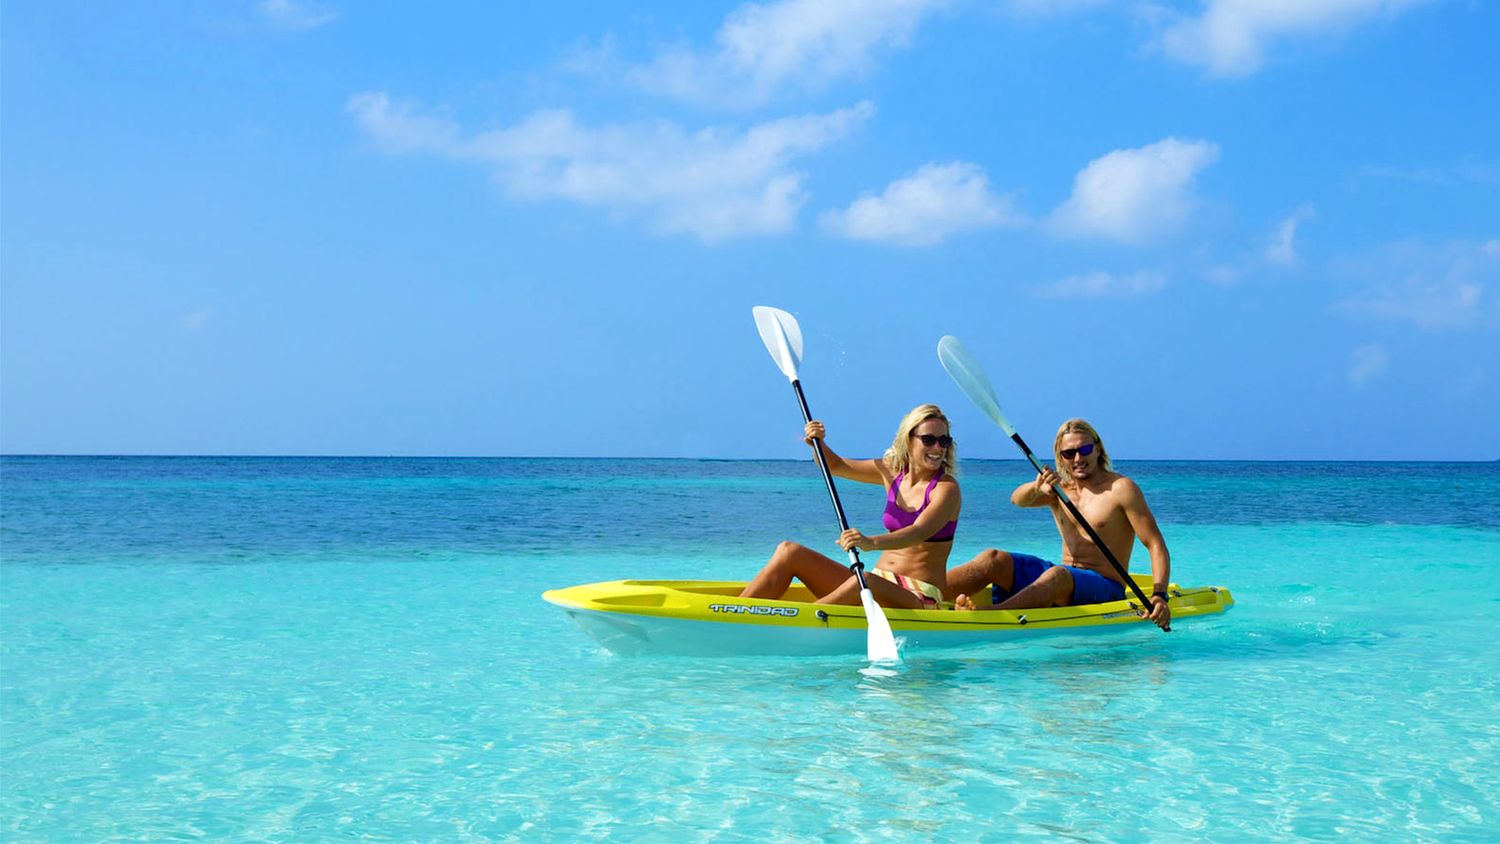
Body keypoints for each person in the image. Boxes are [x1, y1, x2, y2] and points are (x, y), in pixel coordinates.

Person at [946, 418, 1172, 630]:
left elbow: (1155, 544)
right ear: (1060, 456)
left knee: (1058, 575)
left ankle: (990, 616)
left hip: (1105, 587)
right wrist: (1037, 488)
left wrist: (1159, 595)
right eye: (1069, 453)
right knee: (992, 558)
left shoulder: (1121, 489)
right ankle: (926, 597)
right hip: (1061, 578)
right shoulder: (1059, 489)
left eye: (1084, 450)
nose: (1078, 459)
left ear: (1097, 449)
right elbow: (1016, 499)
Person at [739, 404, 962, 609]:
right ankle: (738, 613)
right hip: (878, 581)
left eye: (944, 441)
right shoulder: (891, 472)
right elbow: (834, 465)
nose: (937, 448)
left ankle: (803, 622)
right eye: (928, 440)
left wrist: (869, 542)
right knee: (789, 552)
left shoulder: (946, 489)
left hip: (918, 596)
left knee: (864, 581)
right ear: (908, 439)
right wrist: (818, 442)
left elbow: (918, 532)